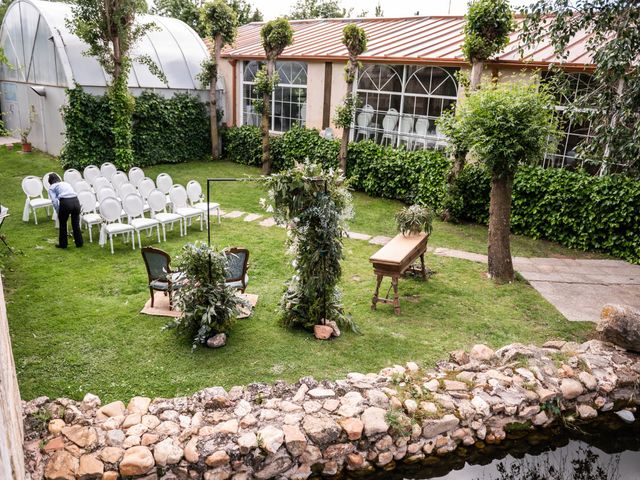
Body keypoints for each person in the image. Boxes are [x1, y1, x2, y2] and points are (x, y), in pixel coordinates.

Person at [48, 173, 83, 249]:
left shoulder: (51, 187)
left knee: (63, 224)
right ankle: (79, 243)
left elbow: (54, 201)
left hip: (66, 202)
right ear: (58, 179)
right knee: (76, 224)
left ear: (50, 182)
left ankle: (63, 245)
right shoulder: (66, 183)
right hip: (76, 201)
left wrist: (58, 211)